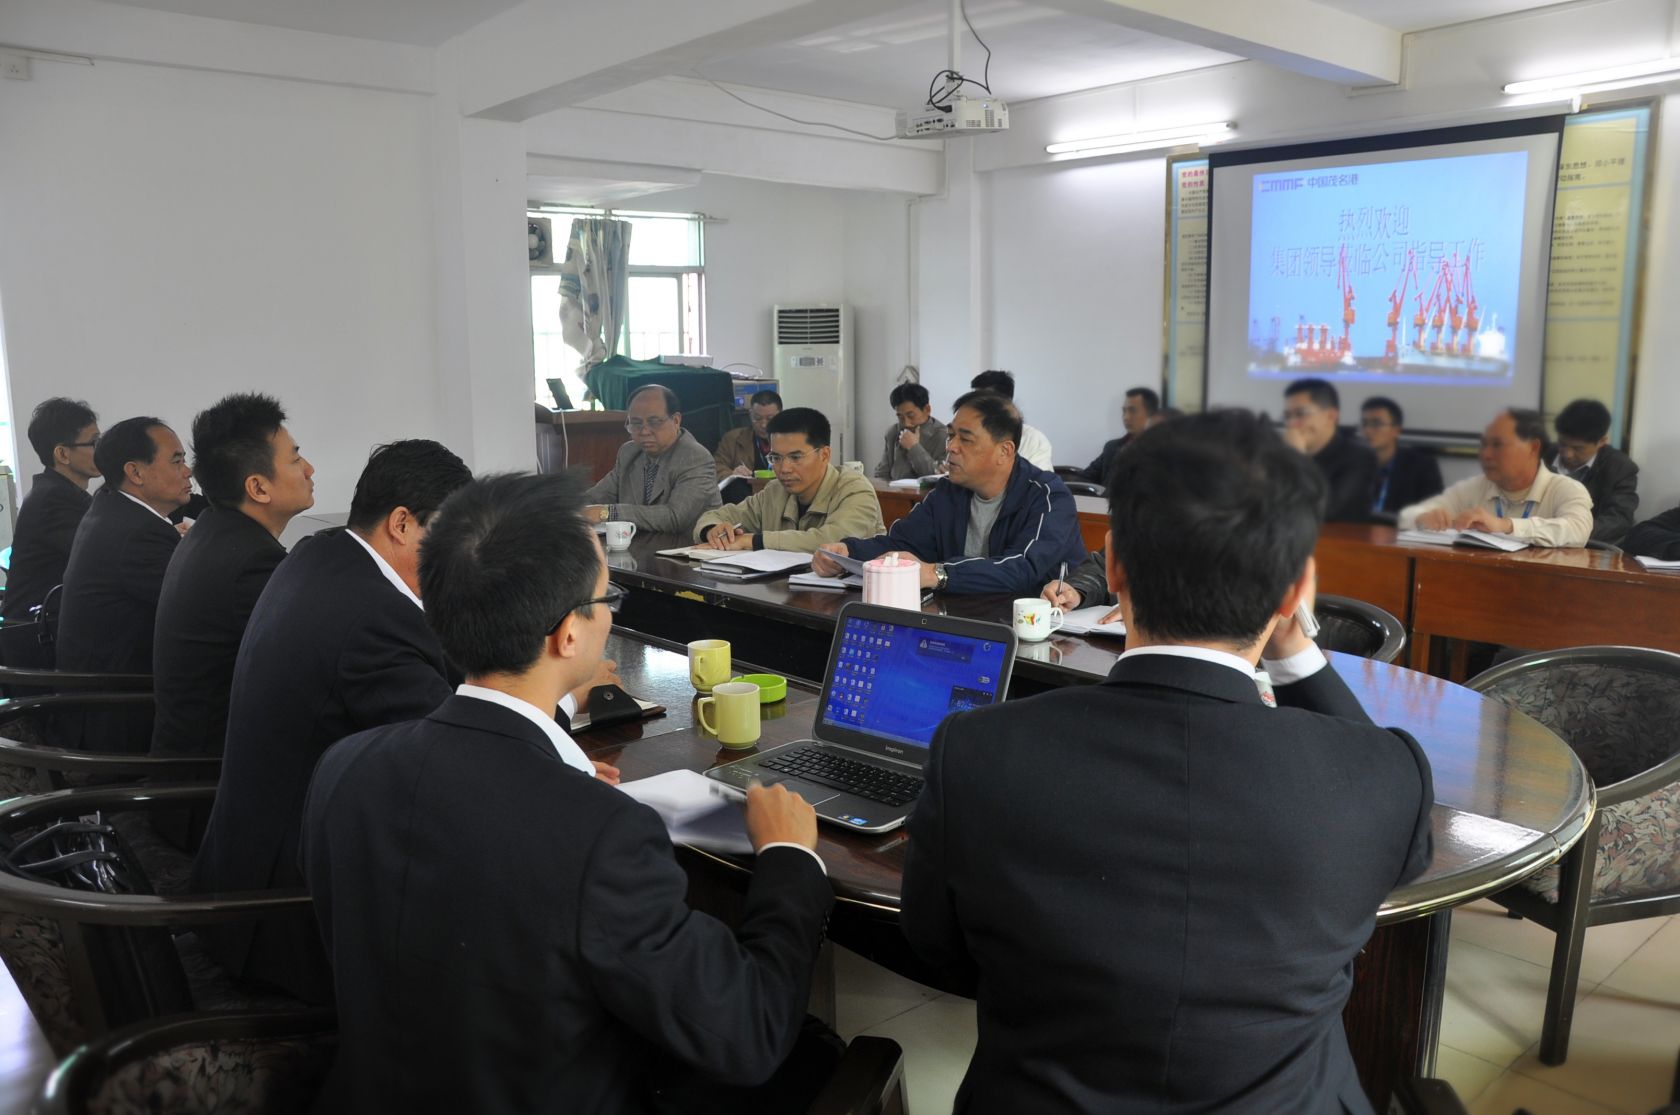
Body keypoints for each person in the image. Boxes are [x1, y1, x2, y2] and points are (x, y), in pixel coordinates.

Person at [901, 408, 1433, 1114]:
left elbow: (938, 951)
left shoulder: (976, 752)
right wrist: (1294, 647)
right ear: (1294, 592)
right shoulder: (1380, 776)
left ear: (1115, 565)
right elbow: (1398, 845)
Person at [300, 473, 836, 1112]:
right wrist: (788, 859)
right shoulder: (599, 834)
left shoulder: (344, 768)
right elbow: (748, 1032)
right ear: (569, 635)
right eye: (608, 596)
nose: (610, 612)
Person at [191, 440, 475, 1002]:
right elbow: (459, 761)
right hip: (291, 917)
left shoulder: (321, 554)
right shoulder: (372, 619)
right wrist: (558, 696)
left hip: (245, 868)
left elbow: (430, 660)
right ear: (402, 524)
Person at [148, 395, 315, 846]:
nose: (309, 469)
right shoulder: (250, 564)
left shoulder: (214, 531)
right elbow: (317, 671)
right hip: (212, 802)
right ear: (258, 487)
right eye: (295, 458)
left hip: (186, 782)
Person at [813, 390, 1084, 595]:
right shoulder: (947, 492)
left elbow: (1023, 568)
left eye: (965, 439)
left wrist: (937, 574)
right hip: (967, 617)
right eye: (951, 436)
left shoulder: (1048, 497)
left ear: (1005, 451)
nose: (951, 447)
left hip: (1042, 630)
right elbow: (903, 544)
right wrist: (847, 552)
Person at [55, 417, 194, 753]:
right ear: (135, 472)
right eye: (176, 460)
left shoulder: (111, 507)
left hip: (98, 700)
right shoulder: (138, 535)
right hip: (119, 717)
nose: (188, 471)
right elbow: (198, 612)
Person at [694, 407, 884, 553]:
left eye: (796, 457)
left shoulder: (855, 490)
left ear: (825, 455)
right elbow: (716, 516)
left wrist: (753, 541)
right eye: (776, 457)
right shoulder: (775, 491)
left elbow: (833, 541)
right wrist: (712, 530)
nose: (784, 468)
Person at [1399, 408, 1593, 547]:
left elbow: (1578, 530)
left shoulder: (1566, 489)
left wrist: (1505, 526)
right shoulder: (1473, 488)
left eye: (1498, 445)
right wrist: (1421, 518)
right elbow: (1405, 516)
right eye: (1484, 445)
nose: (1486, 454)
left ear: (1533, 448)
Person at [3, 398, 100, 626]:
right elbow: (100, 552)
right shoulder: (53, 499)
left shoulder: (57, 491)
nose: (102, 450)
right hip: (35, 630)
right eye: (94, 442)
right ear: (63, 454)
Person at [582, 384, 721, 534]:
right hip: (640, 544)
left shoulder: (695, 457)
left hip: (686, 545)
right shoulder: (629, 452)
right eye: (636, 423)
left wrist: (608, 512)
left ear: (676, 420)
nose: (644, 431)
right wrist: (569, 507)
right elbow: (596, 497)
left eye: (654, 422)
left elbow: (675, 518)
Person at [1281, 377, 1377, 522]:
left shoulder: (1359, 456)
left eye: (1301, 414)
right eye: (1287, 416)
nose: (1292, 424)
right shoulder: (1282, 451)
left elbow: (1325, 510)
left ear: (1331, 416)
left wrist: (1298, 458)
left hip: (1339, 535)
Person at [1553, 398, 1639, 544]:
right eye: (1562, 444)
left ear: (1601, 442)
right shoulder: (1541, 455)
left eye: (1578, 448)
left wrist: (1566, 533)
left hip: (1587, 545)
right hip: (1534, 539)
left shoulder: (1620, 468)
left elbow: (1618, 519)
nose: (1567, 454)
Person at [1360, 396, 1443, 516]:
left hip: (1401, 527)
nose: (1367, 430)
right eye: (1364, 423)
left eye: (1376, 424)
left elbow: (1431, 511)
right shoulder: (1353, 464)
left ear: (1396, 430)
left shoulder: (1422, 467)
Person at [971, 370, 1053, 469]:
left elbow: (1037, 477)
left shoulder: (1033, 439)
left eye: (983, 403)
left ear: (1005, 403)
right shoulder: (968, 435)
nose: (975, 408)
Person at [1077, 386, 1158, 485]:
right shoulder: (1111, 447)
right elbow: (1084, 478)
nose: (1126, 417)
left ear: (1151, 415)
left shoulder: (1160, 451)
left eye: (1133, 411)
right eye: (1124, 411)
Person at [874, 382, 948, 480]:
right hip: (894, 489)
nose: (906, 423)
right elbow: (882, 474)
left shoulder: (944, 436)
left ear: (927, 409)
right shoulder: (893, 432)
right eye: (900, 416)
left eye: (911, 415)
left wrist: (914, 447)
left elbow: (939, 477)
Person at [714, 389, 780, 478]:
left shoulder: (792, 440)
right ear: (750, 414)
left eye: (770, 419)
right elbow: (716, 466)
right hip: (747, 486)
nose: (763, 425)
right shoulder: (733, 439)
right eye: (757, 418)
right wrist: (732, 474)